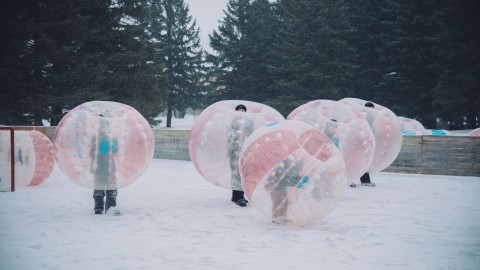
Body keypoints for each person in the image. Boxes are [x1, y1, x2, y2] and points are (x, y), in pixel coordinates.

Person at [90, 115, 119, 214]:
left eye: (106, 126)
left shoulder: (112, 137)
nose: (104, 128)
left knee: (111, 187)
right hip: (100, 166)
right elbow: (92, 153)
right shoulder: (96, 138)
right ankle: (98, 208)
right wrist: (101, 147)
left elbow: (115, 151)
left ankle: (110, 207)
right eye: (102, 126)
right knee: (99, 187)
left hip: (110, 166)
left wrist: (112, 144)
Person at [228, 104, 253, 207]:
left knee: (242, 174)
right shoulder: (233, 123)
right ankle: (238, 197)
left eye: (243, 111)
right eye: (239, 111)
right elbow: (229, 137)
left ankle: (238, 195)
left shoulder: (249, 123)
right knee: (236, 174)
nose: (241, 113)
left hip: (244, 152)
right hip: (234, 152)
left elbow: (251, 135)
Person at [351, 101, 376, 187]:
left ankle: (365, 180)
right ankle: (349, 179)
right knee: (355, 161)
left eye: (372, 109)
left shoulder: (372, 118)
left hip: (366, 142)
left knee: (365, 161)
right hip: (358, 141)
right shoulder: (361, 117)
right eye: (369, 109)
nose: (371, 111)